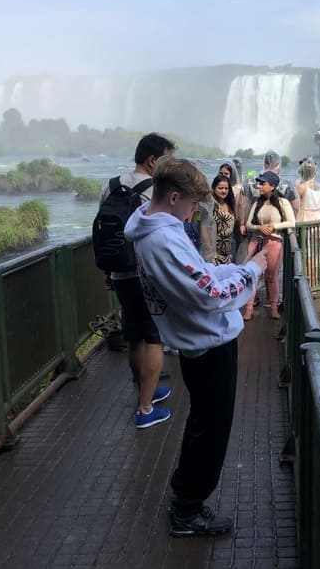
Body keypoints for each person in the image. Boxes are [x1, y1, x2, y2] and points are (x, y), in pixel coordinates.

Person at [124, 156, 267, 537]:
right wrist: (255, 267)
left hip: (197, 341)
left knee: (203, 423)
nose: (191, 215)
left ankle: (186, 495)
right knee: (212, 429)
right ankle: (187, 510)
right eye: (190, 206)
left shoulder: (151, 230)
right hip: (207, 345)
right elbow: (211, 293)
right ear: (174, 197)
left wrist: (241, 267)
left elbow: (201, 277)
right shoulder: (163, 239)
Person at [99, 132, 175, 429]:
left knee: (134, 334)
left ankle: (145, 388)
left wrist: (108, 271)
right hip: (147, 275)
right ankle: (145, 409)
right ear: (153, 160)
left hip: (119, 272)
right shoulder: (154, 191)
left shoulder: (110, 186)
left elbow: (105, 233)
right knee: (154, 336)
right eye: (167, 160)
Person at [242, 171, 295, 321]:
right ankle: (249, 308)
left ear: (272, 186)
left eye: (263, 184)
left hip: (274, 242)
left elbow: (292, 222)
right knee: (253, 275)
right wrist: (259, 228)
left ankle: (273, 308)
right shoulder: (257, 202)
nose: (260, 186)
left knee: (271, 276)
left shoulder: (283, 203)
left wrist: (274, 226)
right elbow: (248, 224)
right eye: (260, 183)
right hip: (257, 241)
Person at [295, 157, 320, 286]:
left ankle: (308, 284)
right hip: (319, 222)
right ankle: (315, 282)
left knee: (307, 254)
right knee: (317, 254)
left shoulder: (301, 187)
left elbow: (299, 208)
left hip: (306, 223)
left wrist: (297, 224)